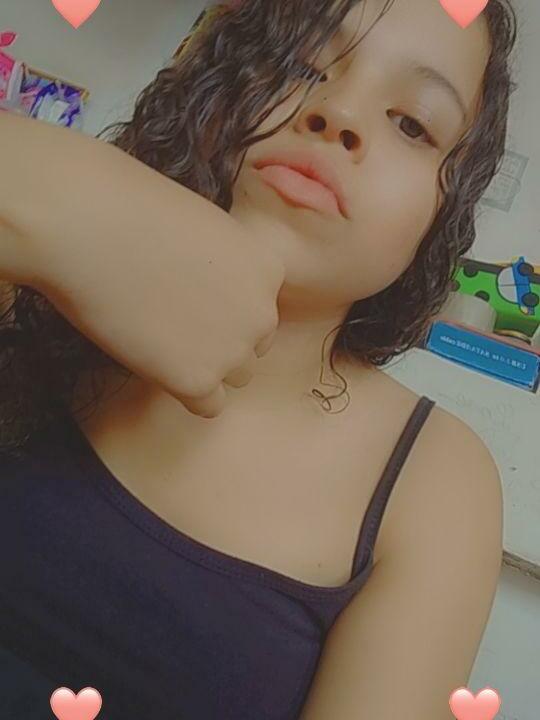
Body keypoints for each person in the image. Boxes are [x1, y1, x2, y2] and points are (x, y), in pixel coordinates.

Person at [0, 0, 517, 718]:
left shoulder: (435, 486)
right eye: (300, 63)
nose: (338, 114)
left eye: (411, 124)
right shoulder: (22, 283)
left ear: (443, 214)